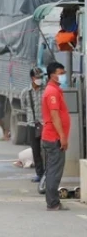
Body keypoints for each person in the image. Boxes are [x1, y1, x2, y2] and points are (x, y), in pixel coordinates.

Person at [41, 61, 71, 211]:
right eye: (61, 74)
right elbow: (54, 116)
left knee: (53, 169)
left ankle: (53, 201)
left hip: (53, 136)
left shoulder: (55, 90)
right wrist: (62, 136)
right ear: (52, 75)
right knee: (54, 171)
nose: (63, 76)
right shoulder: (52, 92)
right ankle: (53, 203)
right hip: (54, 138)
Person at [20, 67, 45, 184]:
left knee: (47, 150)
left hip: (45, 124)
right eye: (37, 77)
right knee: (35, 151)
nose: (39, 79)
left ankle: (48, 174)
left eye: (41, 77)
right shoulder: (26, 92)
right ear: (32, 78)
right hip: (32, 124)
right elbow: (23, 107)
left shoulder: (46, 90)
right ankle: (39, 174)